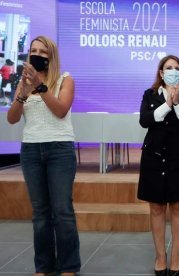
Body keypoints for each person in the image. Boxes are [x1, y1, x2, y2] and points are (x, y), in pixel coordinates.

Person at [7, 36, 80, 276]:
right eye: (33, 50)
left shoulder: (65, 80)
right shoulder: (23, 82)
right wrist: (23, 93)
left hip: (59, 150)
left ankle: (68, 266)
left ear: (51, 56)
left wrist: (40, 86)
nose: (37, 54)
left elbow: (60, 111)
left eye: (42, 51)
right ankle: (44, 267)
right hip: (31, 150)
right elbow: (12, 118)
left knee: (62, 211)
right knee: (40, 213)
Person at [137, 54, 179, 276]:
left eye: (176, 68)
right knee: (156, 207)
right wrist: (167, 104)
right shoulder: (150, 94)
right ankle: (160, 256)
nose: (173, 71)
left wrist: (177, 102)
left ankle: (176, 255)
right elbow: (145, 120)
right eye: (168, 67)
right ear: (161, 73)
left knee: (178, 207)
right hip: (154, 155)